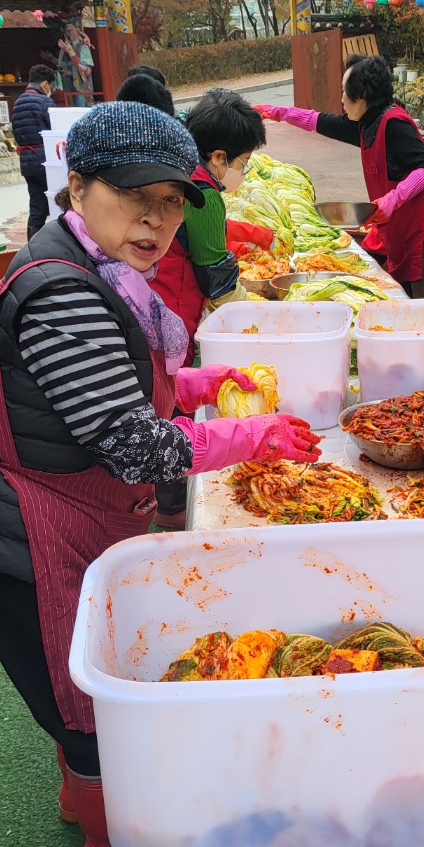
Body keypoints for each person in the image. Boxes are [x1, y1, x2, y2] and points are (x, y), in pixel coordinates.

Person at [0, 102, 320, 847]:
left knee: (73, 674)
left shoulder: (98, 267)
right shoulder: (65, 292)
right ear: (78, 186)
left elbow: (117, 382)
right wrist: (255, 435)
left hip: (56, 507)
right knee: (84, 699)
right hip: (20, 525)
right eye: (135, 196)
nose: (157, 219)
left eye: (172, 201)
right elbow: (134, 443)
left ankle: (82, 801)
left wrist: (202, 382)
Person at [144, 88, 265, 524]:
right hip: (171, 309)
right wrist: (258, 316)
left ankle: (161, 500)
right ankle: (172, 507)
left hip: (151, 302)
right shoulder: (204, 192)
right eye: (242, 162)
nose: (242, 172)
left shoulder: (177, 173)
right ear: (218, 156)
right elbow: (217, 276)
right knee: (168, 404)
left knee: (155, 399)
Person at [257, 54, 424, 297]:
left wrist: (392, 199)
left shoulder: (395, 124)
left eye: (344, 91)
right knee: (404, 303)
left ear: (362, 96)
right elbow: (316, 120)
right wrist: (277, 112)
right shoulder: (365, 123)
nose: (341, 99)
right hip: (397, 232)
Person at [10, 65, 54, 239]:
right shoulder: (45, 102)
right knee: (59, 203)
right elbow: (55, 130)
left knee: (37, 207)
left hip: (27, 161)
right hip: (46, 160)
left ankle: (32, 246)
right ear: (45, 84)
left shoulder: (18, 102)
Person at [58, 22, 94, 105]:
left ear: (77, 31)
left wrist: (71, 53)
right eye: (66, 32)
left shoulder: (83, 47)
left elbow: (86, 72)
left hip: (82, 90)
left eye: (70, 30)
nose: (68, 34)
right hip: (70, 89)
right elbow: (66, 66)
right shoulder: (67, 49)